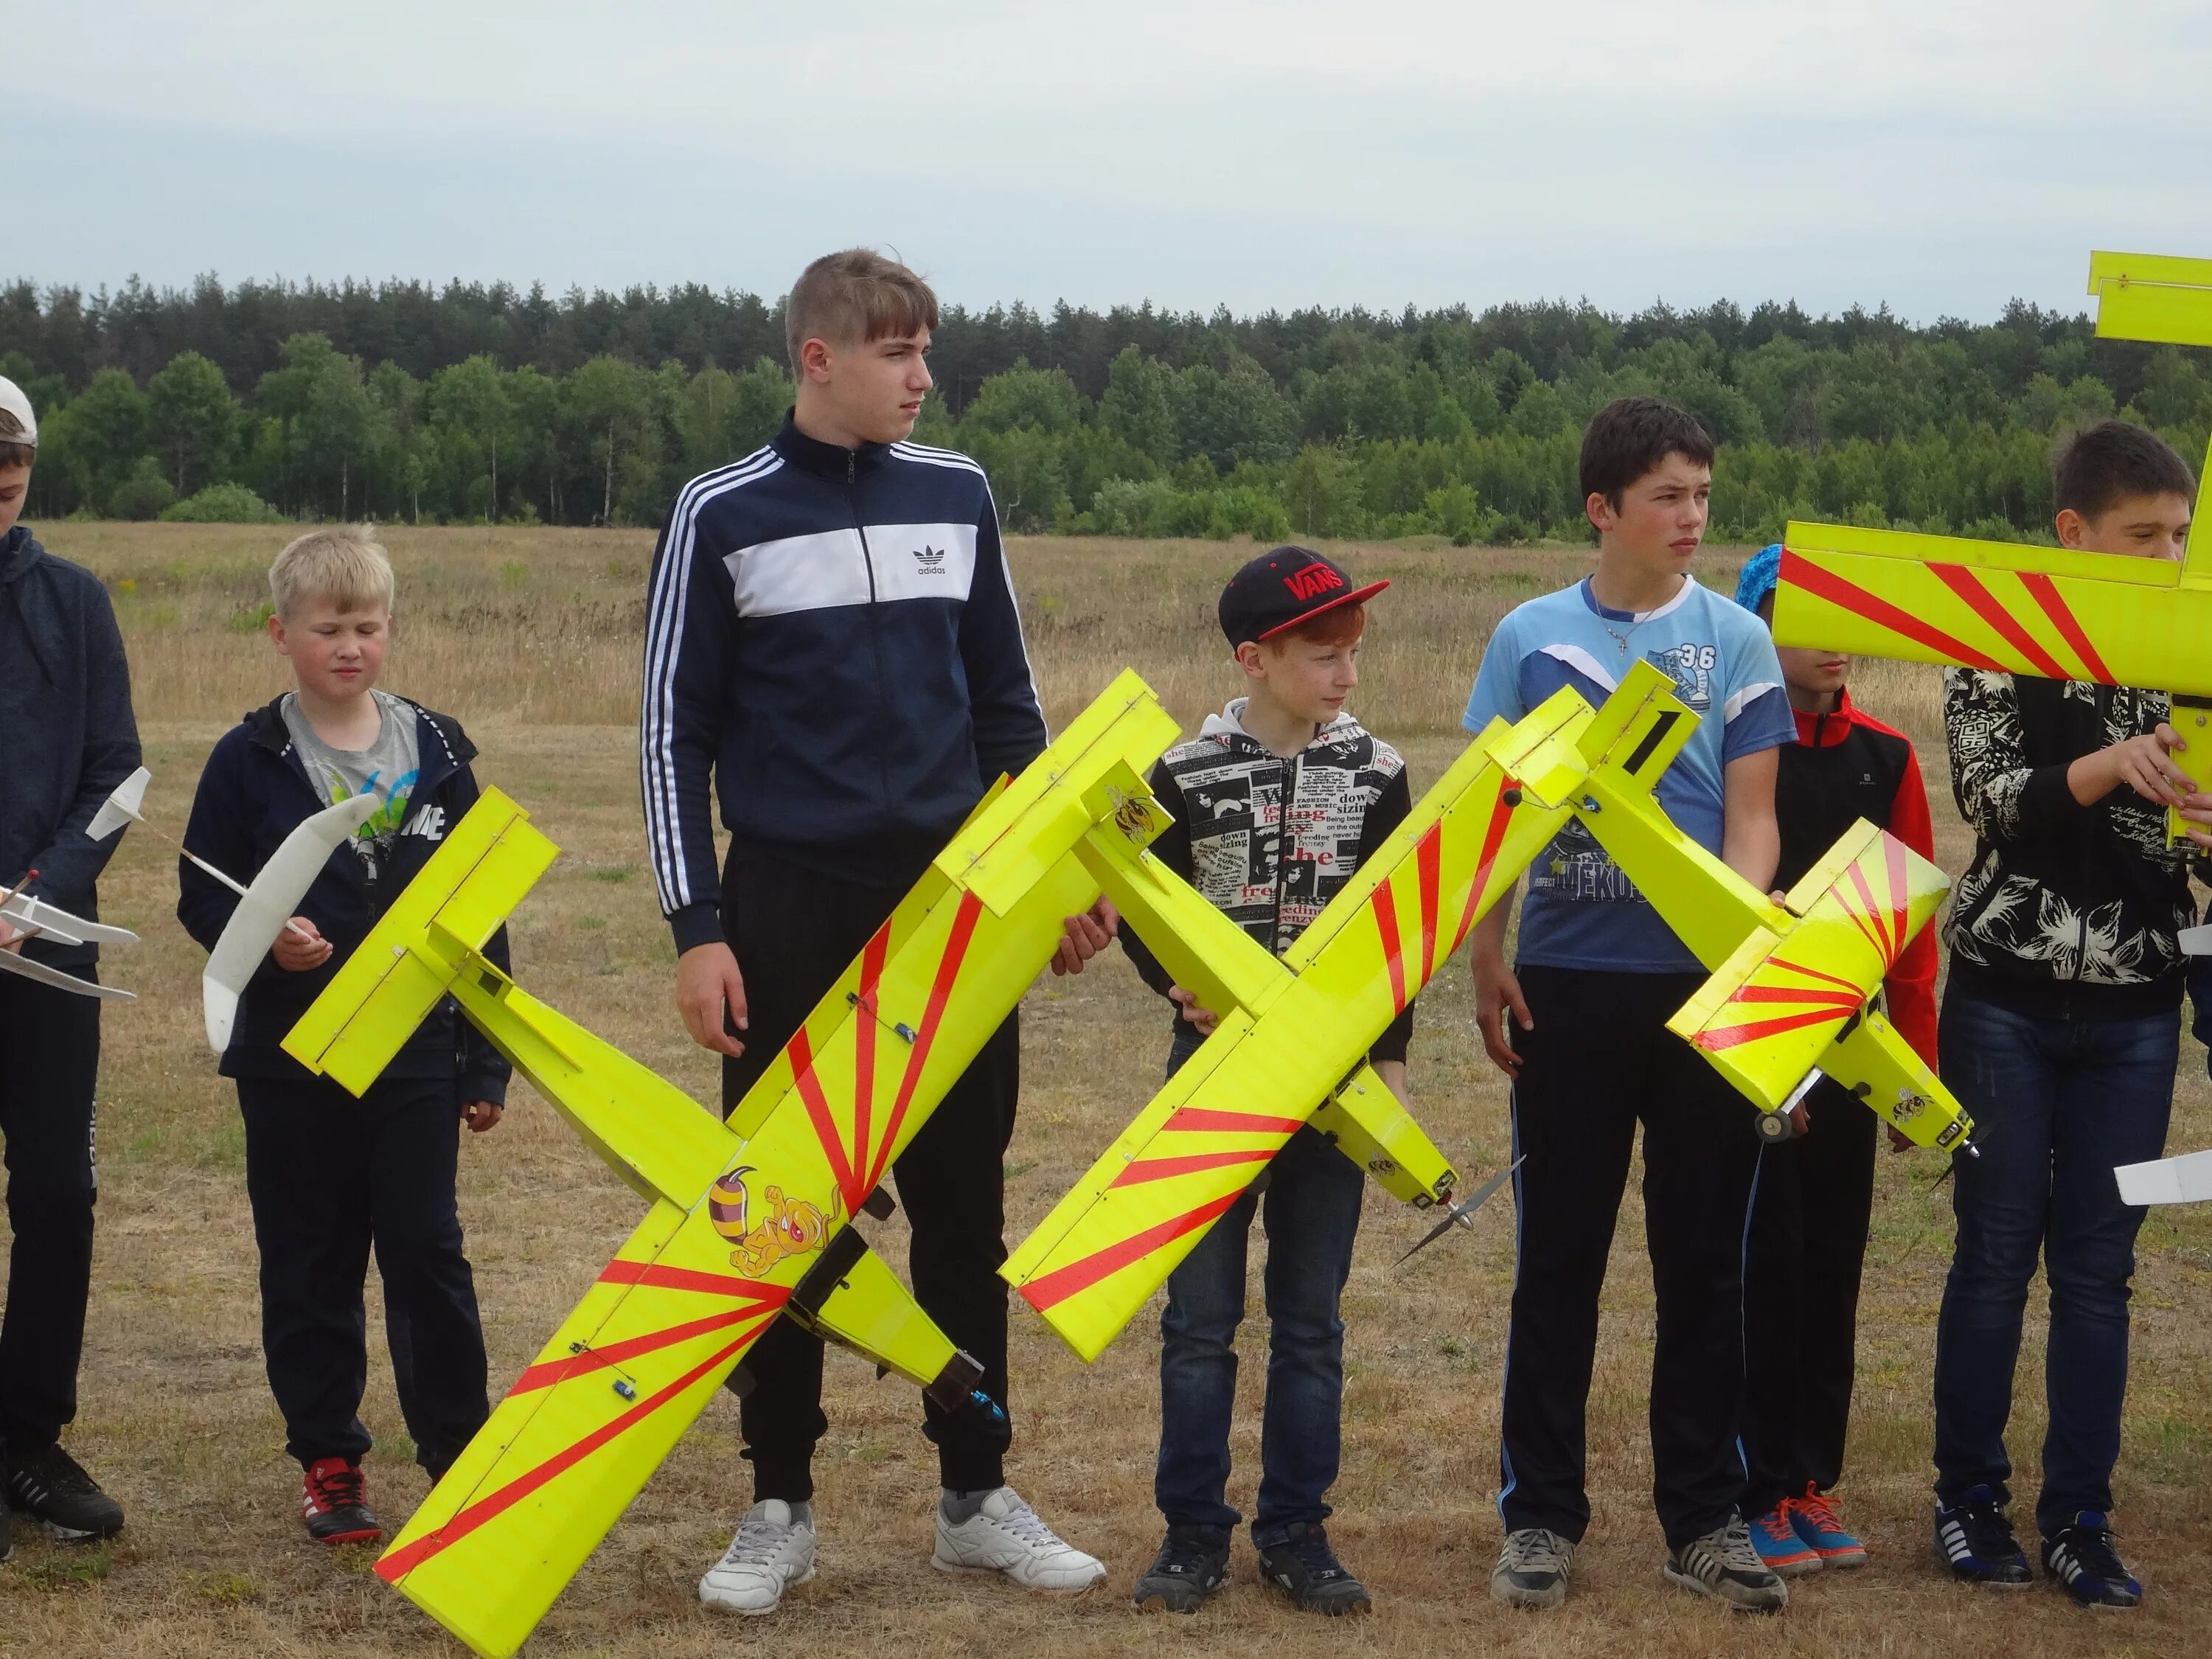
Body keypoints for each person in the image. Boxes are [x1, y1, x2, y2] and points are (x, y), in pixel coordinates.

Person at [640, 248, 1112, 1615]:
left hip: (954, 911)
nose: (922, 377)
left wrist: (1061, 880)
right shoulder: (718, 511)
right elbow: (675, 734)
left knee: (966, 1212)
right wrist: (697, 925)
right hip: (788, 907)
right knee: (781, 1216)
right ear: (817, 360)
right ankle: (777, 1503)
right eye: (897, 353)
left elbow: (1010, 709)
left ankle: (977, 1493)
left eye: (928, 352)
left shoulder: (956, 493)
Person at [1467, 395, 1795, 1613]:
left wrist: (1734, 942)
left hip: (1702, 992)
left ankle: (1704, 1519)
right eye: (1668, 496)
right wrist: (1487, 954)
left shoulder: (1736, 641)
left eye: (1703, 495)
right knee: (1559, 1259)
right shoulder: (1529, 636)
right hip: (1568, 987)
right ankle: (1541, 1517)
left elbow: (1753, 818)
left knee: (1705, 1264)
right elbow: (1496, 819)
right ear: (1602, 509)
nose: (1692, 517)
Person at [176, 526, 511, 1546]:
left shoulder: (438, 749)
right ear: (283, 634)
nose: (350, 646)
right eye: (328, 629)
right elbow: (203, 894)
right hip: (292, 1060)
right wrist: (268, 938)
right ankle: (329, 1457)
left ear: (390, 629)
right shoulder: (248, 760)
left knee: (427, 1250)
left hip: (415, 1050)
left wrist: (483, 1055)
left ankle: (460, 1452)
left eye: (368, 627)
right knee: (310, 1254)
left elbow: (482, 907)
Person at [1930, 420, 2212, 1610]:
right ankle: (1968, 1501)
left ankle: (2082, 1521)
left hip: (2142, 1008)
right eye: (2146, 536)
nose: (2168, 557)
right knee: (1993, 1258)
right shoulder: (1995, 646)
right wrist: (2115, 763)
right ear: (2073, 533)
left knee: (2101, 1270)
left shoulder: (2193, 653)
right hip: (2001, 999)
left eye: (2184, 538)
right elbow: (1992, 801)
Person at [1114, 547, 1409, 1618]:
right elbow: (1141, 902)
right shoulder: (1180, 776)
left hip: (1332, 1083)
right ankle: (1192, 1530)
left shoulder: (1379, 772)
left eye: (1351, 656)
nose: (1346, 676)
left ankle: (1297, 1528)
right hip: (1215, 1073)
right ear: (1255, 657)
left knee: (1311, 1317)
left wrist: (1389, 1061)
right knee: (1198, 1318)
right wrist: (1177, 982)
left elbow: (1396, 931)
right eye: (1323, 656)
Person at [1730, 543, 1938, 1578]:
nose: (1837, 640)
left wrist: (1913, 1075)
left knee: (1831, 1269)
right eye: (1810, 616)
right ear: (1756, 623)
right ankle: (1754, 1486)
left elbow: (1909, 934)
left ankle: (1812, 1478)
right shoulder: (1735, 747)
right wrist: (1767, 1062)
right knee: (1761, 1268)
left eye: (1850, 617)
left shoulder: (1890, 758)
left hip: (1857, 1058)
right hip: (1767, 1053)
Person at [0, 375, 141, 1559]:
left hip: (46, 957)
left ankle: (28, 1440)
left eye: (11, 459)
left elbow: (118, 778)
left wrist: (35, 895)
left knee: (58, 1194)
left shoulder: (77, 603)